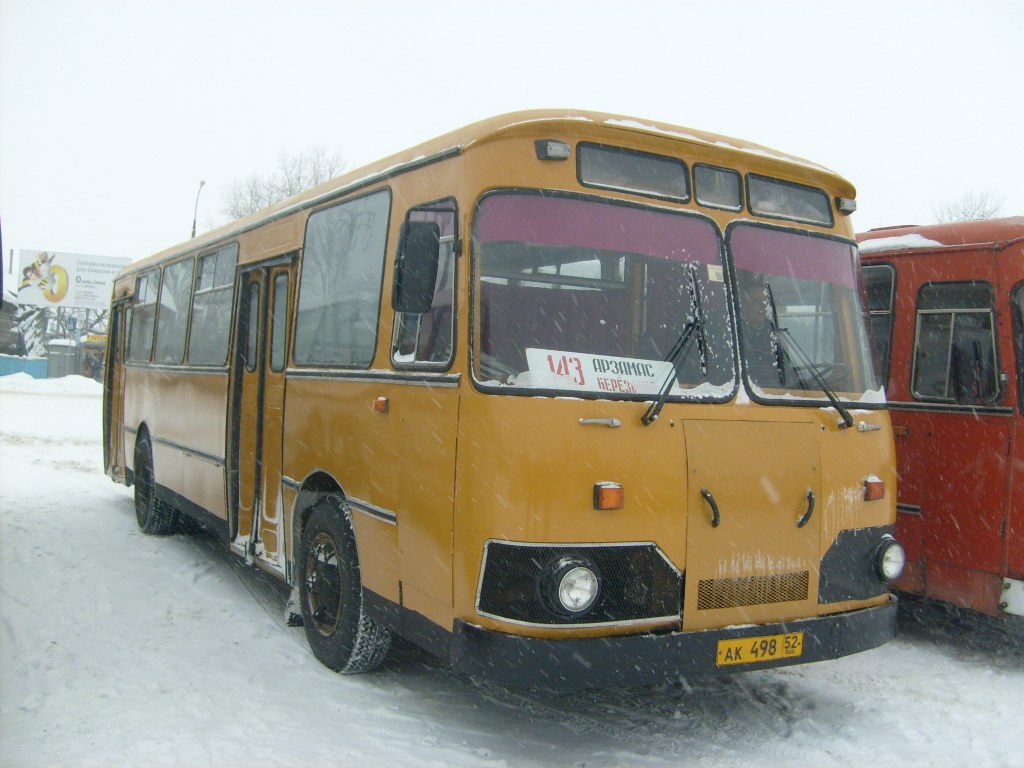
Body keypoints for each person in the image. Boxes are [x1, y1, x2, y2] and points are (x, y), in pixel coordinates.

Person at [736, 273, 784, 387]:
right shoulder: (731, 333)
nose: (762, 307)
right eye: (756, 301)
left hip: (774, 391)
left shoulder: (771, 331)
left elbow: (786, 368)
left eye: (764, 302)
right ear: (742, 303)